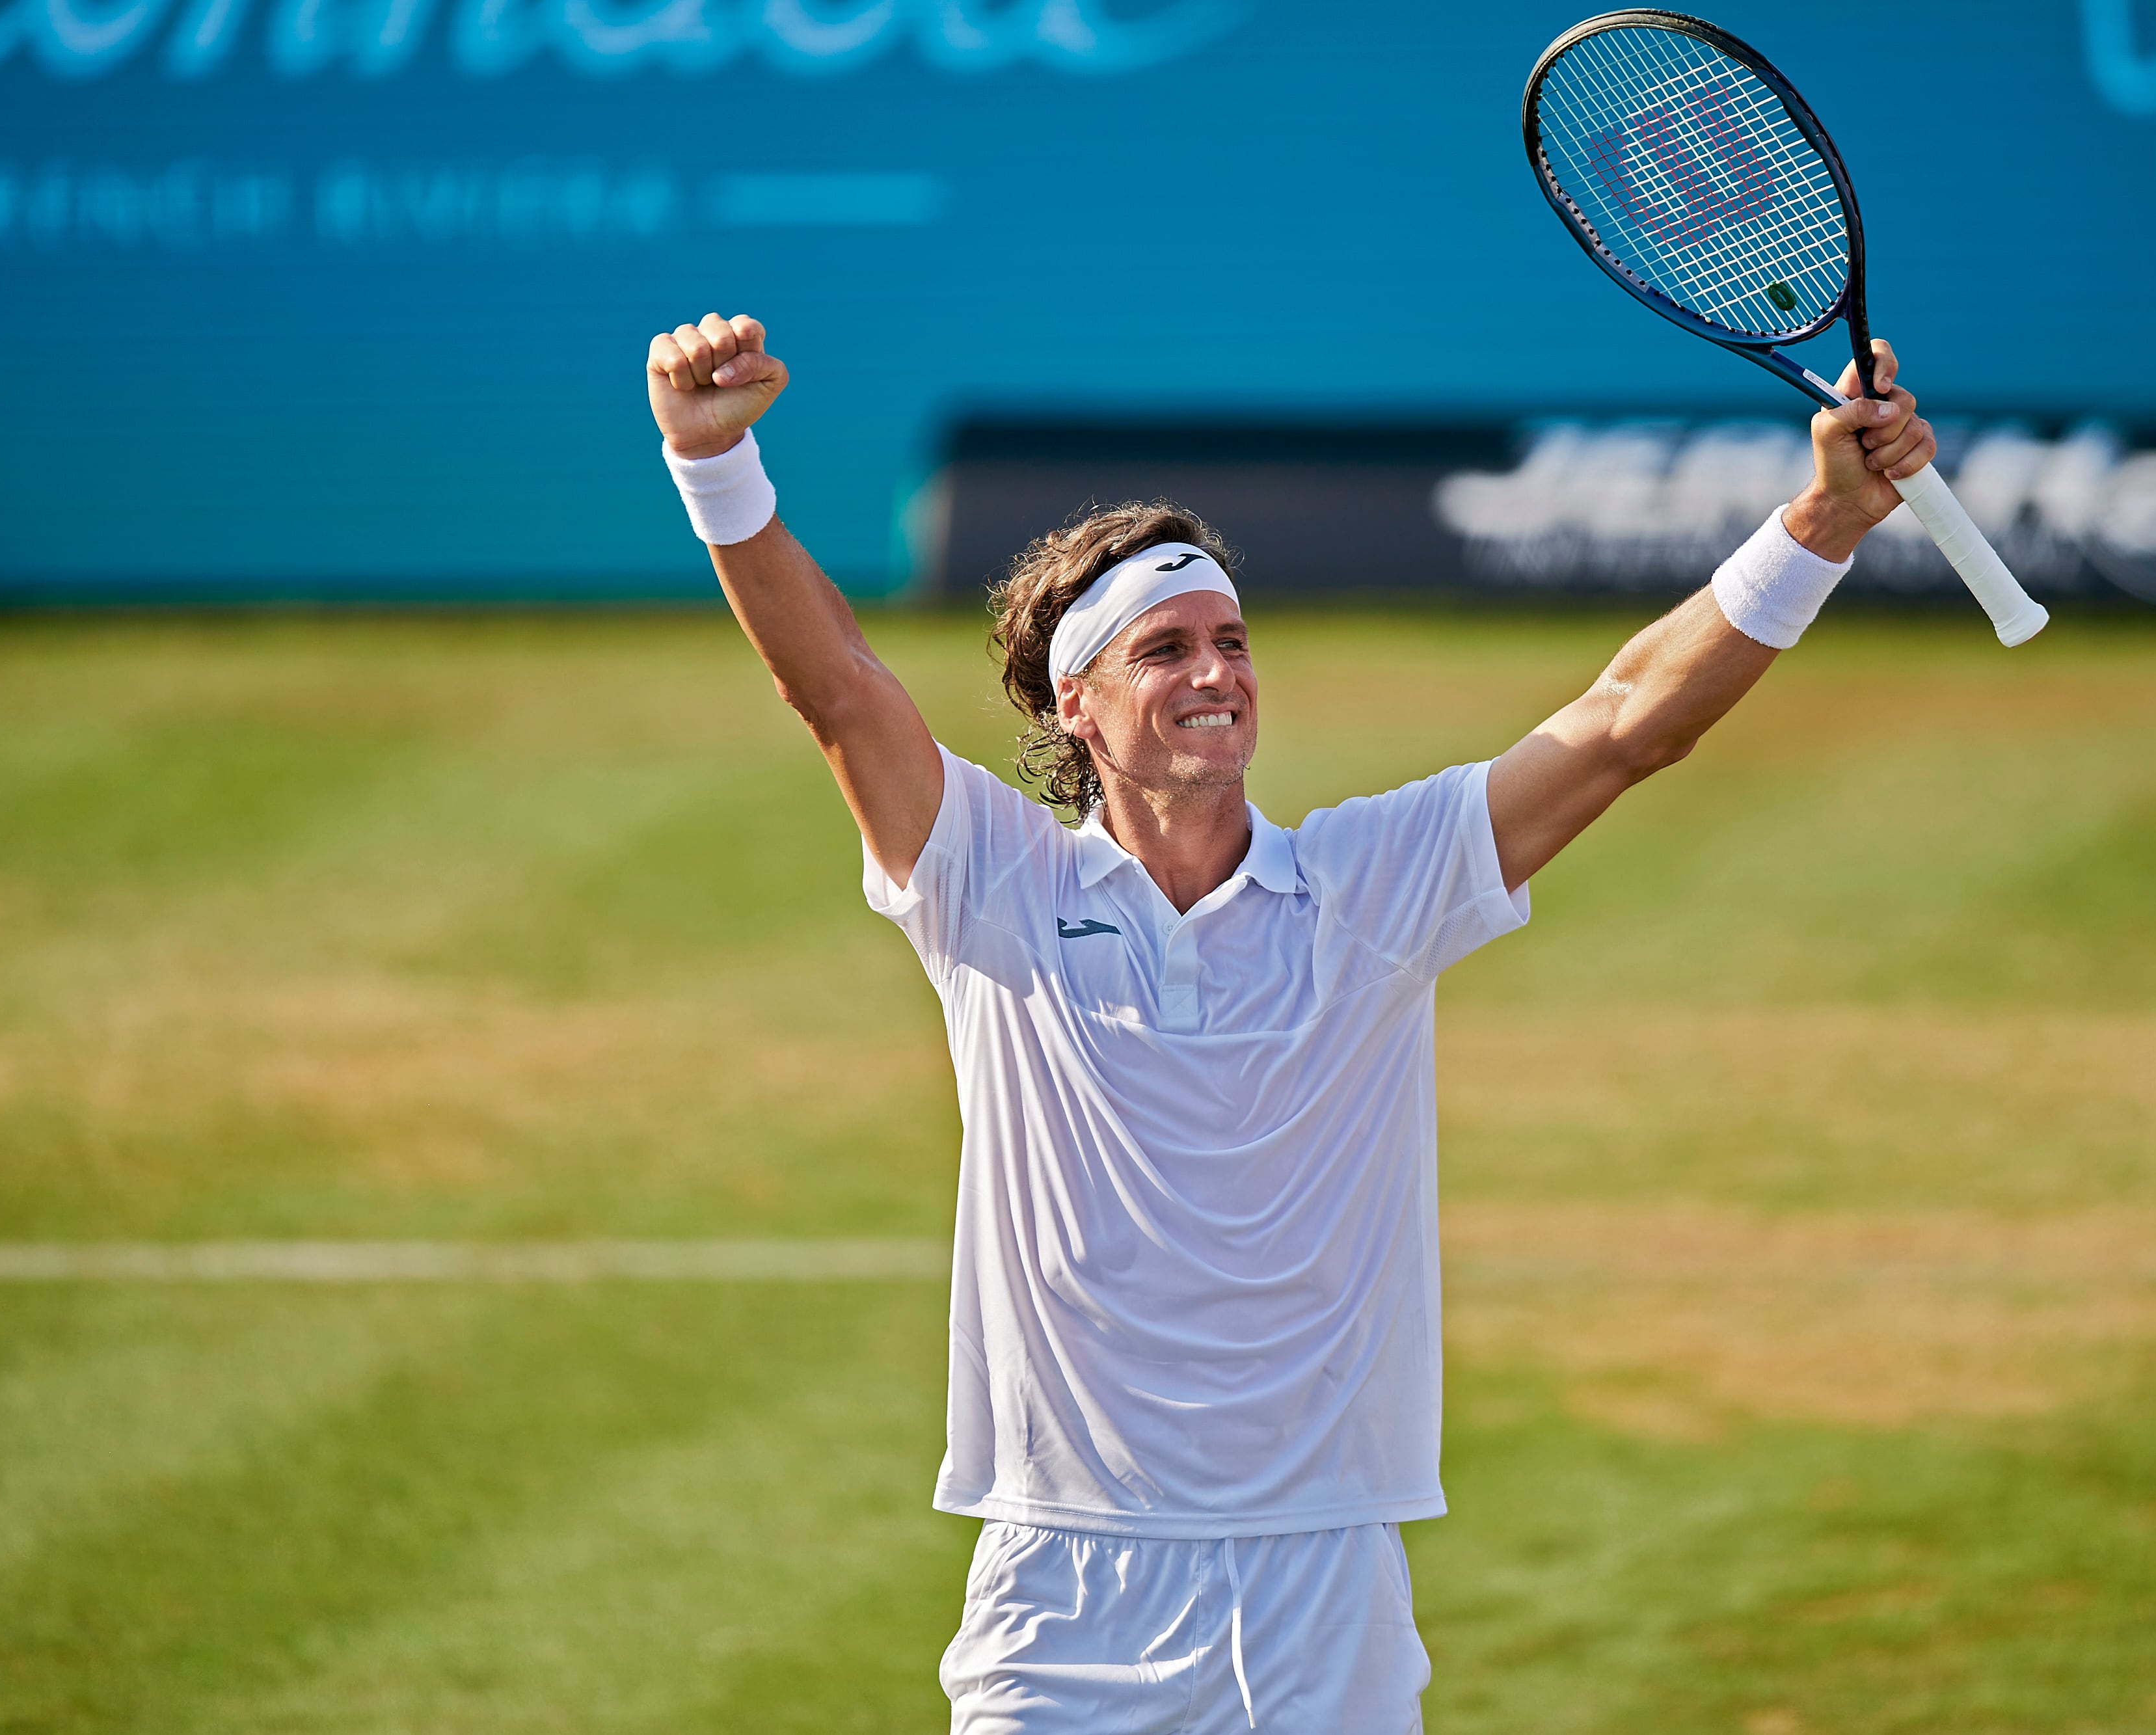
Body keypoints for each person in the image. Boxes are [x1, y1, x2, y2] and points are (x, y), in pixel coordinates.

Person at [644, 311, 1937, 1734]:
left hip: (1326, 1586)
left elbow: (1629, 720)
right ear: (1075, 701)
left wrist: (1819, 518)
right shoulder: (991, 884)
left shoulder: (1373, 882)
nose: (1216, 672)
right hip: (1064, 1582)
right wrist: (719, 470)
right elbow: (833, 683)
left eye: (1231, 639)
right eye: (1166, 649)